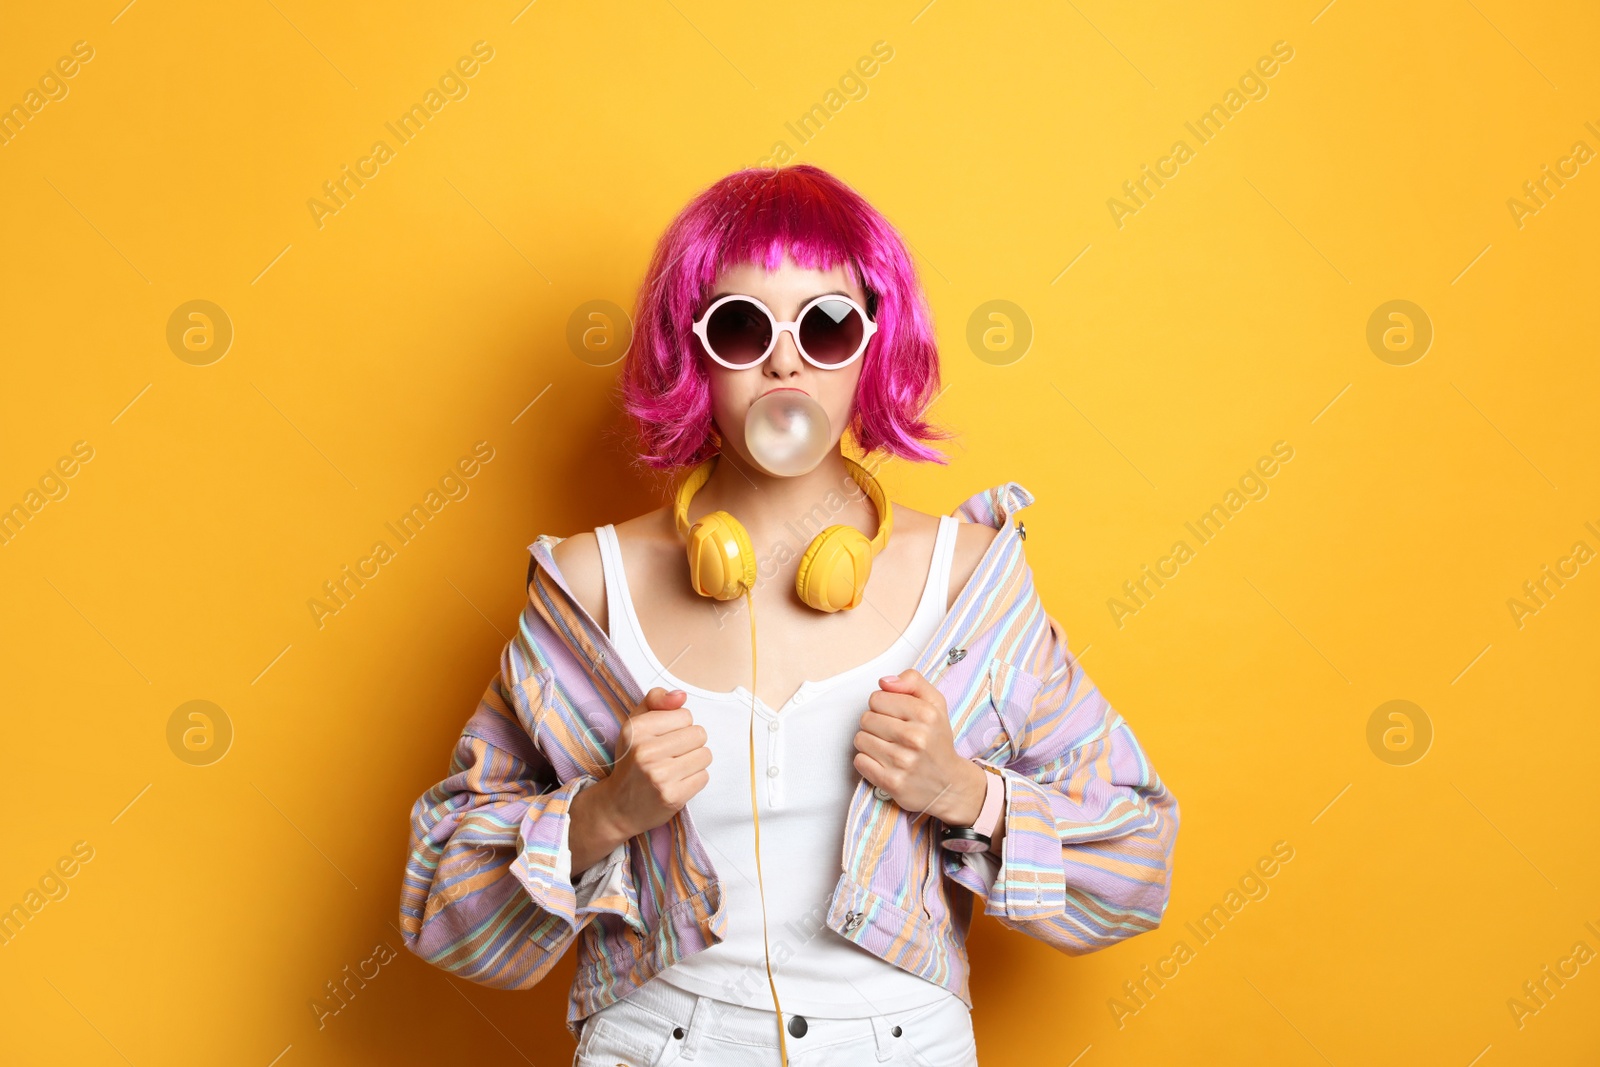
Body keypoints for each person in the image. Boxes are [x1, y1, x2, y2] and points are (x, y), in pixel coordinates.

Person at [398, 164, 1180, 1067]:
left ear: (870, 346)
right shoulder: (589, 585)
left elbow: (1138, 857)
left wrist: (967, 793)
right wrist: (603, 812)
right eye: (740, 326)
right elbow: (440, 900)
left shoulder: (969, 582)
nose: (785, 360)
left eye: (826, 324)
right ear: (691, 351)